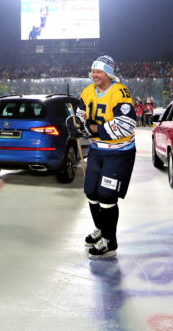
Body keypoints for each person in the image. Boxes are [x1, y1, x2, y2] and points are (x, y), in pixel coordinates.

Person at [72, 55, 137, 259]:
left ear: (108, 73)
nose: (95, 75)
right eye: (93, 71)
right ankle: (102, 229)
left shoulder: (120, 92)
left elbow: (126, 124)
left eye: (99, 71)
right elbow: (80, 116)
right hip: (97, 150)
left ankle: (110, 240)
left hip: (118, 152)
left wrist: (92, 129)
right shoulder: (88, 91)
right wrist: (74, 123)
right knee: (91, 193)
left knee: (107, 196)